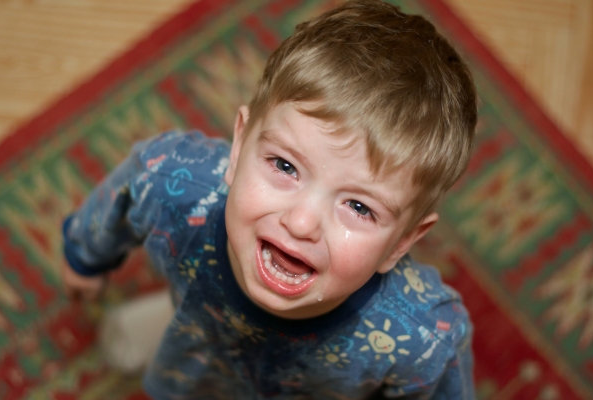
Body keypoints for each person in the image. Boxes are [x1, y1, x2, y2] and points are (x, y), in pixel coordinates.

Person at [61, 0, 478, 398]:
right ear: (239, 147)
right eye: (284, 166)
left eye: (359, 207)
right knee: (193, 325)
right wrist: (86, 255)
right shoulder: (172, 181)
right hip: (197, 347)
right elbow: (128, 190)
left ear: (402, 242)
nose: (301, 223)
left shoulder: (421, 337)